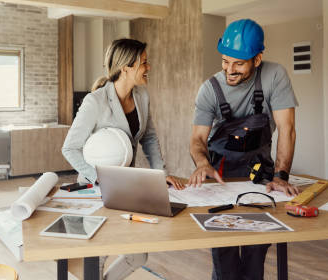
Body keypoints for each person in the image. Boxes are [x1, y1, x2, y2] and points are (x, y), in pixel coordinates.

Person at [62, 38, 184, 280]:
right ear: (126, 67)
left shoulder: (143, 97)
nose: (149, 68)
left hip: (128, 186)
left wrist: (161, 173)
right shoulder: (94, 102)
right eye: (144, 63)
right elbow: (70, 148)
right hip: (96, 187)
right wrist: (101, 180)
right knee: (97, 255)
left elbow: (148, 138)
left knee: (138, 255)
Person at [188, 19, 300, 280]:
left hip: (260, 175)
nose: (230, 69)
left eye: (238, 63)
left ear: (257, 59)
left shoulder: (275, 76)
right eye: (226, 61)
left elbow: (287, 129)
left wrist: (281, 176)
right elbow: (197, 139)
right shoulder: (209, 90)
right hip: (220, 177)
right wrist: (202, 164)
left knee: (255, 250)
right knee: (224, 258)